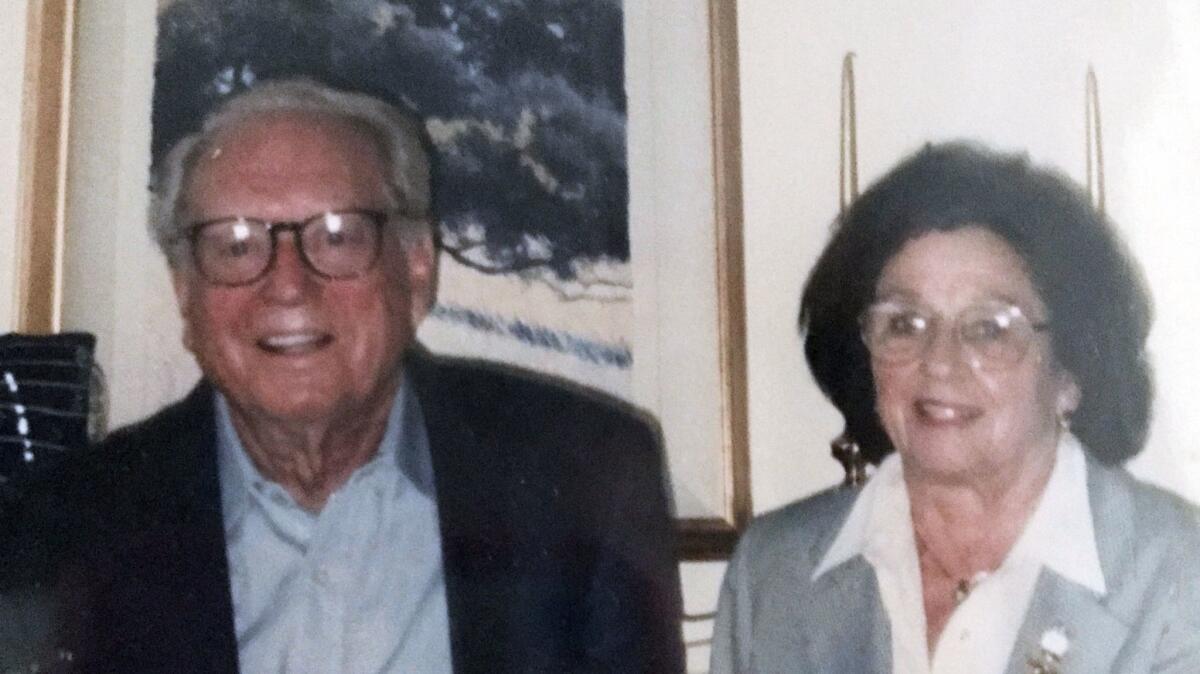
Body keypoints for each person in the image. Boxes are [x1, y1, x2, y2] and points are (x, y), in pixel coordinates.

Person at [0, 78, 684, 673]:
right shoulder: (64, 527)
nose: (288, 285)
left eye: (337, 235)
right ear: (185, 291)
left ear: (416, 268)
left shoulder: (588, 478)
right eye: (236, 245)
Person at [711, 142, 1200, 673]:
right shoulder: (773, 574)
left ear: (1070, 374)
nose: (939, 363)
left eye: (989, 328)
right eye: (904, 323)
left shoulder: (1176, 575)